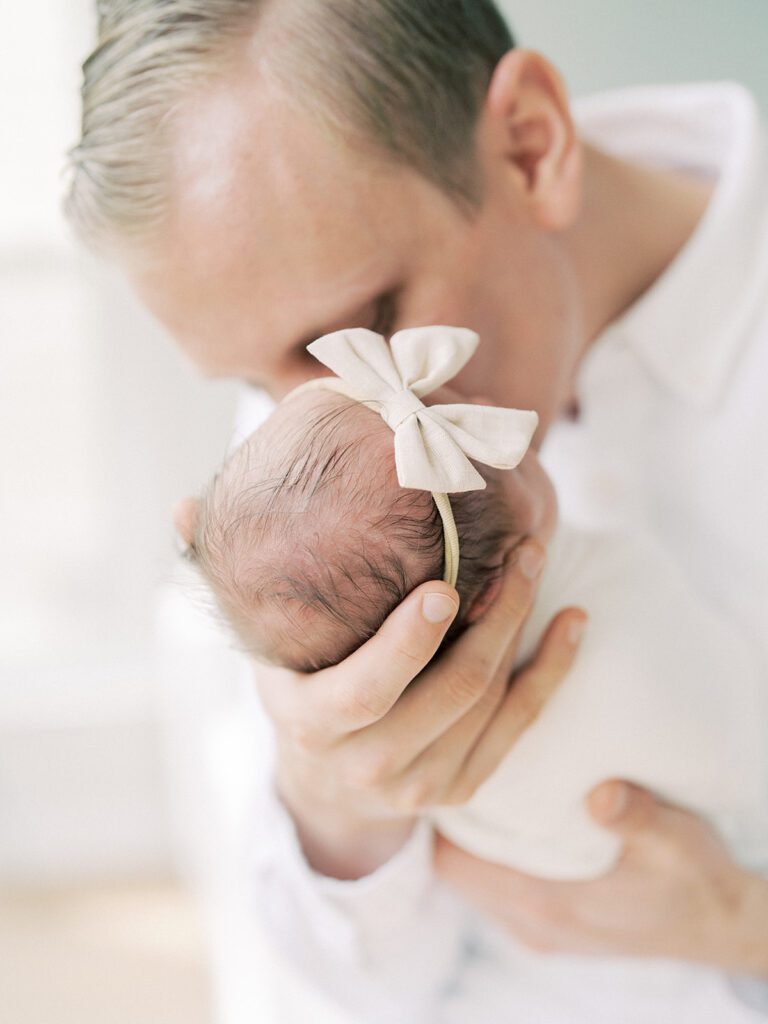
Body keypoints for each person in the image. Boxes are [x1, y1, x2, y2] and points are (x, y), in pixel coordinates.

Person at [66, 1, 768, 1019]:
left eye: (360, 331)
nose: (305, 411)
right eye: (257, 386)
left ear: (530, 148)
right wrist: (334, 812)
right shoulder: (316, 461)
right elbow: (311, 989)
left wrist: (741, 920)